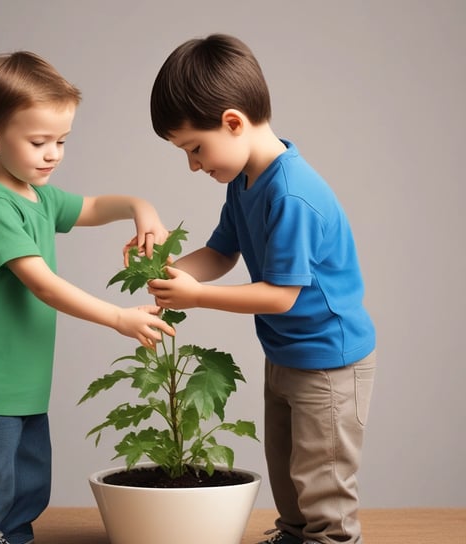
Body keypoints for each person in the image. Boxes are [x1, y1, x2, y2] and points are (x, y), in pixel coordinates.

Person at [146, 34, 376, 544]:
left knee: (324, 479)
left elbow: (280, 295)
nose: (194, 164)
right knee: (287, 469)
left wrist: (198, 297)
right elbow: (221, 253)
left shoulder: (291, 193)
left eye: (195, 148)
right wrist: (165, 269)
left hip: (328, 361)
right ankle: (293, 534)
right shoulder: (244, 182)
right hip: (287, 352)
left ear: (232, 122)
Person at [0, 51, 174, 544]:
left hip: (24, 376)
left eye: (62, 141)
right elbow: (40, 282)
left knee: (28, 480)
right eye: (39, 141)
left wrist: (140, 207)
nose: (54, 154)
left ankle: (13, 536)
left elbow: (90, 206)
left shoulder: (38, 197)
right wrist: (116, 317)